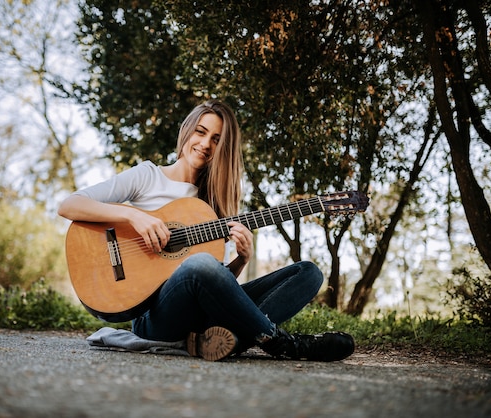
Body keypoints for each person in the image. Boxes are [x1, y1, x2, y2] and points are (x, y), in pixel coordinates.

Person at [58, 99, 355, 362]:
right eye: (201, 132)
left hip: (203, 320)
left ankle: (219, 342)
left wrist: (240, 261)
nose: (205, 144)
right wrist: (133, 217)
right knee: (199, 264)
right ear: (187, 132)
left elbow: (216, 286)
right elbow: (70, 204)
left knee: (308, 273)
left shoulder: (212, 206)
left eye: (216, 139)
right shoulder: (148, 176)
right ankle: (280, 343)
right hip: (156, 319)